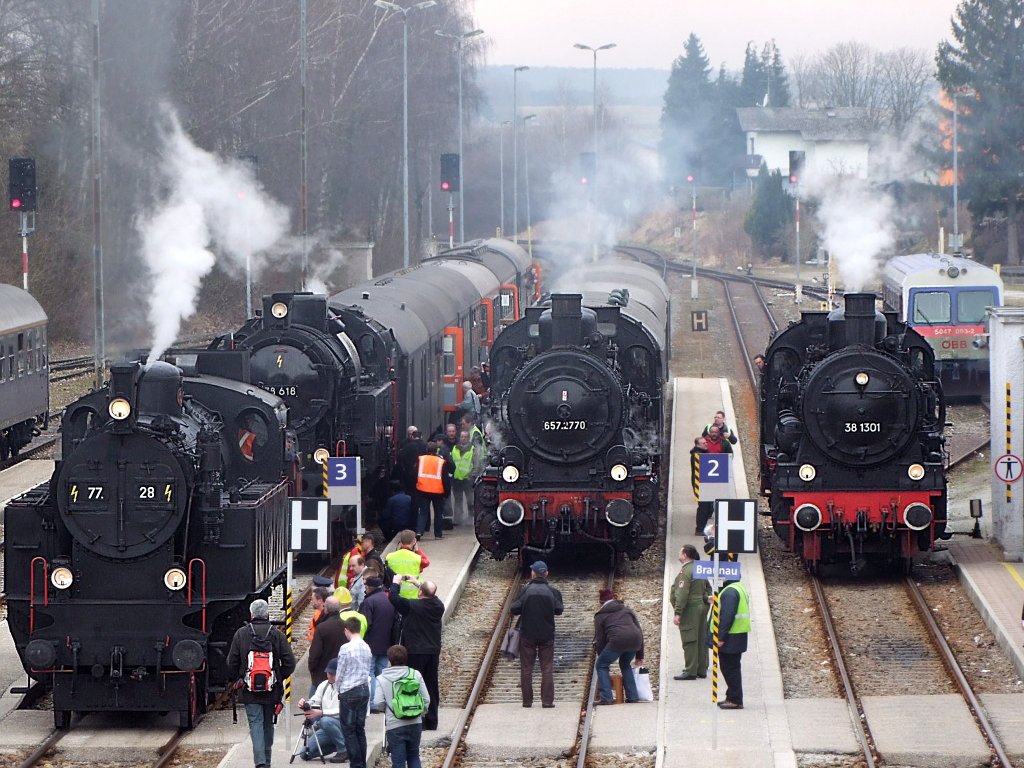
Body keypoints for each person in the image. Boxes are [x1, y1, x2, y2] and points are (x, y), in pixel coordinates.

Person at [226, 599, 296, 768]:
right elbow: (290, 662)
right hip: (272, 689)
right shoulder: (276, 634)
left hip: (249, 690)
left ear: (251, 614)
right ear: (267, 614)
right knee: (268, 723)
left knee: (256, 723)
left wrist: (237, 679)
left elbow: (231, 662)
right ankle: (267, 759)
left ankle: (260, 763)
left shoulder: (241, 634)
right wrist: (278, 677)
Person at [389, 575, 444, 730]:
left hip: (415, 651)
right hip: (432, 652)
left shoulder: (412, 606)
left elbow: (393, 598)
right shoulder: (438, 606)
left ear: (420, 593)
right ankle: (431, 721)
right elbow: (432, 595)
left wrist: (396, 583)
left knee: (413, 685)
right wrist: (418, 584)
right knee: (431, 685)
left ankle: (415, 718)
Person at [510, 561, 563, 708]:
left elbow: (514, 609)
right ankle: (547, 701)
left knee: (527, 668)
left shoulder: (526, 591)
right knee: (547, 668)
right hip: (547, 635)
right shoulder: (553, 592)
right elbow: (559, 610)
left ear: (533, 573)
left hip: (527, 635)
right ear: (546, 574)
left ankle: (527, 701)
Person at [373, 645, 431, 768]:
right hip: (415, 722)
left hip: (394, 725)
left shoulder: (381, 679)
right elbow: (426, 699)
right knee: (414, 756)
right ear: (406, 658)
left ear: (389, 659)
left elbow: (378, 702)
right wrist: (418, 713)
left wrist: (390, 711)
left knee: (398, 762)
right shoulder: (415, 674)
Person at [593, 587, 644, 705]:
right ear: (613, 598)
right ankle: (633, 697)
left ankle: (606, 698)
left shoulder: (600, 615)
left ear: (600, 602)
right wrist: (640, 655)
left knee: (601, 665)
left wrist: (602, 655)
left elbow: (600, 639)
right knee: (625, 664)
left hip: (618, 641)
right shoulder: (627, 610)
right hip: (635, 640)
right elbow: (639, 630)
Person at [335, 617, 373, 768]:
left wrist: (338, 689)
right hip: (364, 689)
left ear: (347, 630)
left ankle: (356, 764)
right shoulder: (366, 646)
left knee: (349, 731)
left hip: (349, 691)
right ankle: (362, 763)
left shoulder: (346, 648)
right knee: (359, 729)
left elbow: (340, 672)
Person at [709, 577, 751, 709]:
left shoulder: (729, 592)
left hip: (731, 638)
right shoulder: (739, 587)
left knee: (730, 669)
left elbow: (727, 616)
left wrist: (720, 637)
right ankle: (732, 696)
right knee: (732, 667)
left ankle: (735, 699)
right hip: (737, 636)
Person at [671, 544, 710, 680]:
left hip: (690, 609)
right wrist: (705, 601)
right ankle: (701, 669)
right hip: (701, 607)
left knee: (690, 639)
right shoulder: (700, 568)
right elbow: (708, 589)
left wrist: (678, 612)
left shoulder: (686, 572)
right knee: (701, 638)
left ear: (685, 555)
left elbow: (682, 594)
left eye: (680, 552)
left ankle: (690, 671)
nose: (679, 554)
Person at [296, 657, 345, 762]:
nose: (330, 676)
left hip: (342, 725)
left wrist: (321, 713)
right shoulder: (324, 685)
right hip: (326, 727)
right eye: (328, 673)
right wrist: (306, 704)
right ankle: (338, 745)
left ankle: (343, 749)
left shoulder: (346, 687)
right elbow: (315, 700)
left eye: (333, 674)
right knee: (304, 754)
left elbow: (343, 711)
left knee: (325, 720)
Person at [359, 575, 396, 710]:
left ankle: (374, 703)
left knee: (370, 673)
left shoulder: (369, 602)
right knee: (382, 674)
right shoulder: (389, 600)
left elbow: (365, 624)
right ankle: (383, 701)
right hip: (387, 644)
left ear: (368, 587)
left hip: (371, 645)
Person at [415, 441, 453, 539]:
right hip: (438, 492)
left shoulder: (421, 459)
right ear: (437, 450)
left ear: (426, 450)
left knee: (423, 512)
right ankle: (438, 534)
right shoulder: (441, 462)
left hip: (423, 490)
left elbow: (414, 474)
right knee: (438, 513)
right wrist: (447, 492)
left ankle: (419, 531)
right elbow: (445, 479)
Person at [308, 596, 346, 695]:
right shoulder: (346, 626)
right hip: (342, 673)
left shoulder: (322, 628)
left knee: (314, 703)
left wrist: (312, 668)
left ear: (326, 609)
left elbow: (314, 654)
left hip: (322, 674)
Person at [385, 530, 430, 599]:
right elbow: (426, 562)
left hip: (395, 595)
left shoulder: (389, 556)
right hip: (413, 597)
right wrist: (417, 550)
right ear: (414, 541)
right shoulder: (417, 558)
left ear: (400, 541)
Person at [450, 430, 478, 525]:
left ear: (468, 438)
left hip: (467, 479)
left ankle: (472, 519)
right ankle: (458, 520)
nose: (463, 438)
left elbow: (476, 464)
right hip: (457, 479)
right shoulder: (455, 448)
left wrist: (472, 475)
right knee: (458, 500)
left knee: (470, 500)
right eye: (462, 436)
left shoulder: (472, 449)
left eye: (465, 437)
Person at [689, 435, 714, 535]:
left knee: (708, 507)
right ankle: (699, 529)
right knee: (703, 507)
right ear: (697, 445)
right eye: (704, 443)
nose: (706, 444)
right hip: (700, 484)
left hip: (707, 483)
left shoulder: (703, 453)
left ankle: (702, 526)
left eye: (706, 442)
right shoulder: (696, 455)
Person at [397, 426, 427, 496]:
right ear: (421, 437)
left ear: (413, 436)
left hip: (409, 473)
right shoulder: (425, 445)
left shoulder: (408, 446)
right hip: (422, 473)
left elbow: (399, 457)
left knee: (411, 493)